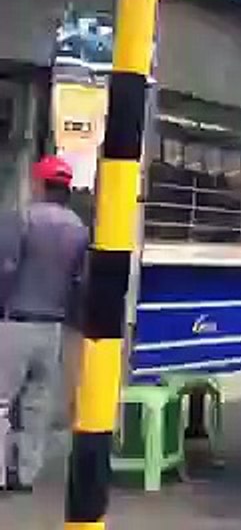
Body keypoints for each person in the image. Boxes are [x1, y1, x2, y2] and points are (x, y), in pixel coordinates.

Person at [0, 156, 89, 493]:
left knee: (2, 402)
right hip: (52, 327)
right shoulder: (79, 228)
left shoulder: (22, 219)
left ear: (38, 184)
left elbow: (6, 269)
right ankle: (25, 475)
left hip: (15, 321)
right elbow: (81, 280)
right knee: (37, 405)